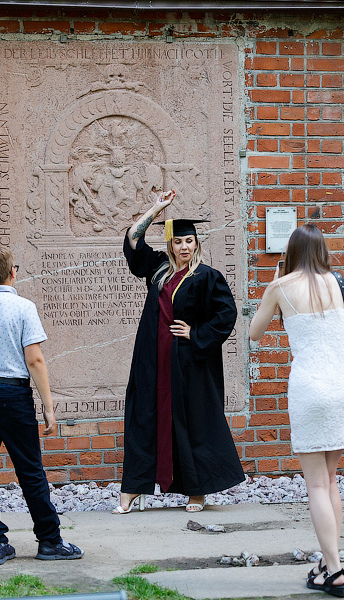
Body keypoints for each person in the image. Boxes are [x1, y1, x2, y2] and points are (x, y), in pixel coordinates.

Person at [114, 189, 245, 514]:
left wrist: (195, 334)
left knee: (192, 424)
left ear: (196, 244)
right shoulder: (158, 269)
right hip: (152, 361)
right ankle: (133, 488)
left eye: (189, 241)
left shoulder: (207, 277)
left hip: (189, 364)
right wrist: (156, 208)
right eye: (178, 242)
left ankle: (196, 491)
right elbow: (133, 239)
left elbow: (226, 314)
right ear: (170, 245)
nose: (184, 247)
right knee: (144, 419)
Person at [248, 223, 344, 598]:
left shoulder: (281, 287)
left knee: (316, 485)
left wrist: (273, 286)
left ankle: (335, 570)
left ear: (291, 253)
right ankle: (327, 564)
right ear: (322, 251)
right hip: (343, 386)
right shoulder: (336, 282)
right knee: (331, 481)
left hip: (310, 389)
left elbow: (254, 332)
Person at [0, 244, 83, 564]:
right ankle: (49, 540)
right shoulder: (24, 308)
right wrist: (48, 407)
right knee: (30, 469)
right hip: (13, 395)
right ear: (13, 273)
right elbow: (35, 360)